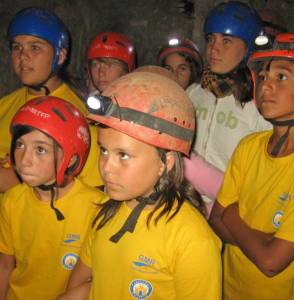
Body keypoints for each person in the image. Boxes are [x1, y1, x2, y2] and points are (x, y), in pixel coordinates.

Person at [63, 69, 222, 299]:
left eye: (123, 155)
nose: (106, 167)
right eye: (104, 151)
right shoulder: (106, 213)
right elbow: (87, 284)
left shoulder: (193, 241)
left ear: (165, 162)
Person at [210, 32, 294, 300]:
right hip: (227, 290)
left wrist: (233, 216)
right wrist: (263, 243)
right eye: (262, 77)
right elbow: (215, 219)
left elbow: (272, 263)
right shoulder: (249, 146)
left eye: (280, 77)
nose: (266, 86)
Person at [0, 97, 108, 299]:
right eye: (20, 145)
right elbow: (5, 265)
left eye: (40, 150)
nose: (24, 160)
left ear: (72, 158)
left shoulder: (97, 207)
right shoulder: (12, 200)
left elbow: (101, 279)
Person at [0, 7, 102, 194]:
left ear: (60, 56)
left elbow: (89, 193)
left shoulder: (77, 116)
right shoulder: (4, 105)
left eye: (35, 47)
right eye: (17, 47)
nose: (23, 56)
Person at [184, 1, 272, 209]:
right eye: (211, 39)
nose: (214, 49)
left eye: (227, 41)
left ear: (248, 47)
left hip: (231, 211)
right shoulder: (194, 92)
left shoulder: (260, 105)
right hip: (185, 204)